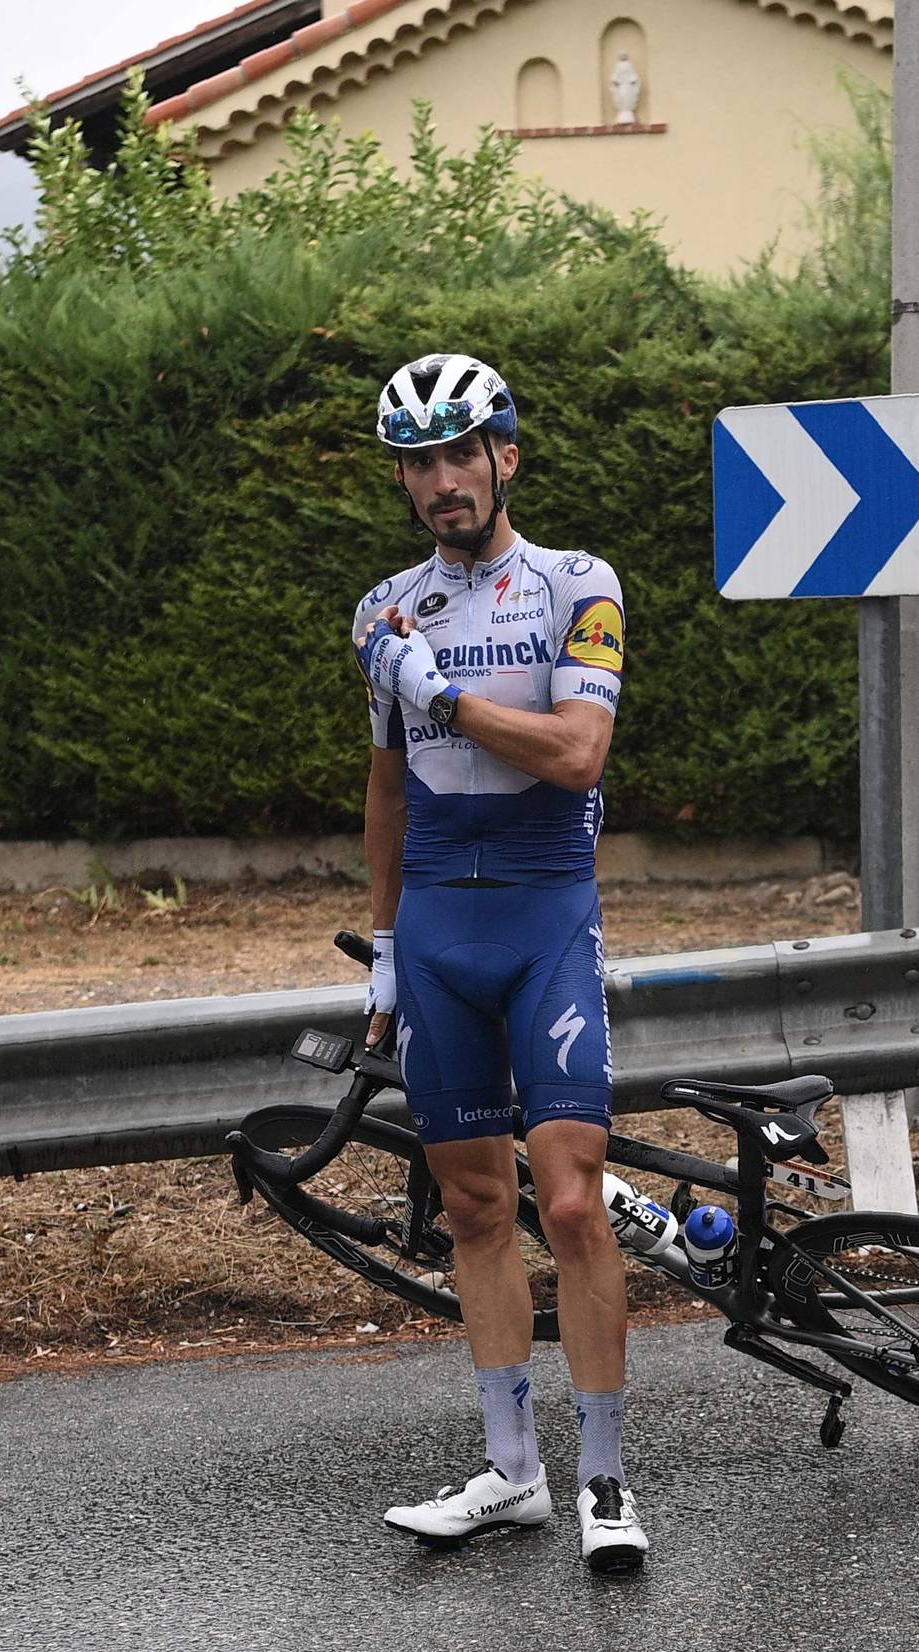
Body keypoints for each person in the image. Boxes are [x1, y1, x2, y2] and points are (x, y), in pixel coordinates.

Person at [348, 352, 643, 1572]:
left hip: (541, 915)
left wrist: (447, 700)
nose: (438, 482)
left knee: (569, 1202)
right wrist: (380, 944)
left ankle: (607, 1484)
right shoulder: (382, 613)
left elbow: (578, 755)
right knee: (472, 1205)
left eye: (457, 454)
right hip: (434, 929)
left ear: (504, 456)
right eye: (416, 463)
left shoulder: (578, 585)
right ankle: (512, 1473)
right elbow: (383, 789)